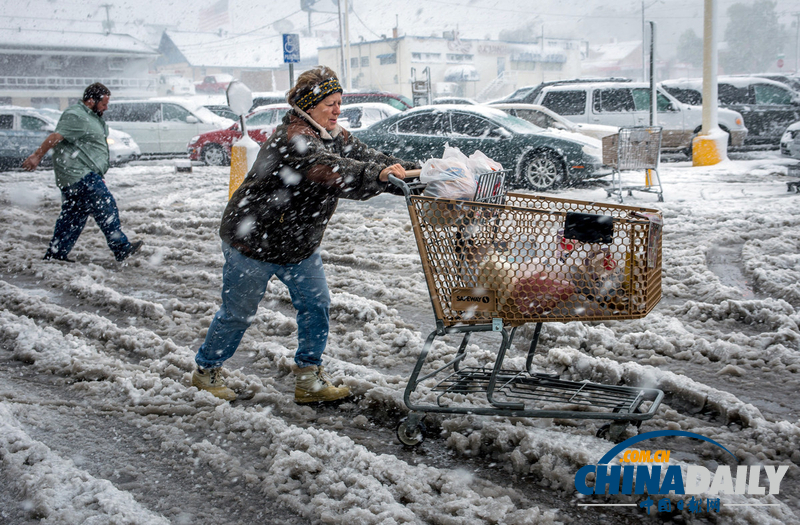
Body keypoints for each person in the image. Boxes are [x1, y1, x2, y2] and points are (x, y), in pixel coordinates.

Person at [192, 66, 418, 403]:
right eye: (330, 103)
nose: (338, 110)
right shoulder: (294, 140)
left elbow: (367, 157)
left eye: (340, 102)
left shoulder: (333, 134)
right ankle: (206, 370)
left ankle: (309, 380)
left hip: (298, 244)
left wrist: (410, 175)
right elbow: (333, 172)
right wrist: (377, 175)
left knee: (316, 305)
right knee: (238, 313)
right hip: (253, 241)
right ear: (310, 105)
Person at [22, 83, 143, 263]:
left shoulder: (91, 117)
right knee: (105, 205)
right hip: (79, 174)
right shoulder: (76, 115)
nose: (106, 107)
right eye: (103, 103)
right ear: (90, 101)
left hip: (79, 175)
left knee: (73, 216)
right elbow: (55, 137)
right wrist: (36, 156)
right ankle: (121, 248)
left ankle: (56, 255)